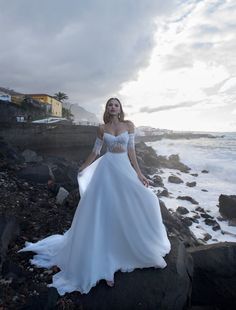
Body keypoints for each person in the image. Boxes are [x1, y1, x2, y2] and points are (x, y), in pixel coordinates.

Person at [18, 97, 171, 296]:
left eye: (116, 104)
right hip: (106, 170)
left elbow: (131, 150)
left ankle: (128, 248)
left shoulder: (129, 125)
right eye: (110, 105)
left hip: (123, 168)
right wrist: (83, 166)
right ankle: (105, 261)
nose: (113, 107)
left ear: (120, 108)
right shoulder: (101, 128)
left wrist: (139, 173)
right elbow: (96, 151)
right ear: (107, 109)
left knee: (144, 201)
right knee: (105, 211)